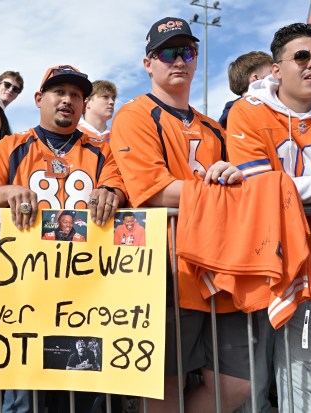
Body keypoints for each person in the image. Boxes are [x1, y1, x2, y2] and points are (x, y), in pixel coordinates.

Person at [0, 64, 127, 413]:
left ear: (84, 104)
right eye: (59, 92)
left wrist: (112, 192)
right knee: (24, 400)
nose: (68, 100)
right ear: (39, 99)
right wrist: (5, 191)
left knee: (86, 400)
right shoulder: (12, 145)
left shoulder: (102, 149)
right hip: (24, 300)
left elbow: (120, 185)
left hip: (87, 299)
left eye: (76, 95)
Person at [110, 17, 248, 413]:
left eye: (187, 52)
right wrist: (222, 196)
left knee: (237, 384)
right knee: (163, 386)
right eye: (168, 52)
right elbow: (153, 193)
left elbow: (242, 186)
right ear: (148, 63)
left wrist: (234, 181)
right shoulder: (135, 115)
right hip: (166, 268)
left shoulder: (213, 127)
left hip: (220, 267)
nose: (179, 60)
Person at [226, 23, 311, 413]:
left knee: (305, 382)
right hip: (255, 269)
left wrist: (289, 187)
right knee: (250, 386)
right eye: (301, 56)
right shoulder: (245, 112)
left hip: (310, 273)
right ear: (276, 68)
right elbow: (255, 188)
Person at [218, 51, 272, 128]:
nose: (278, 75)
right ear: (255, 78)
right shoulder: (261, 111)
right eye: (271, 72)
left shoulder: (227, 119)